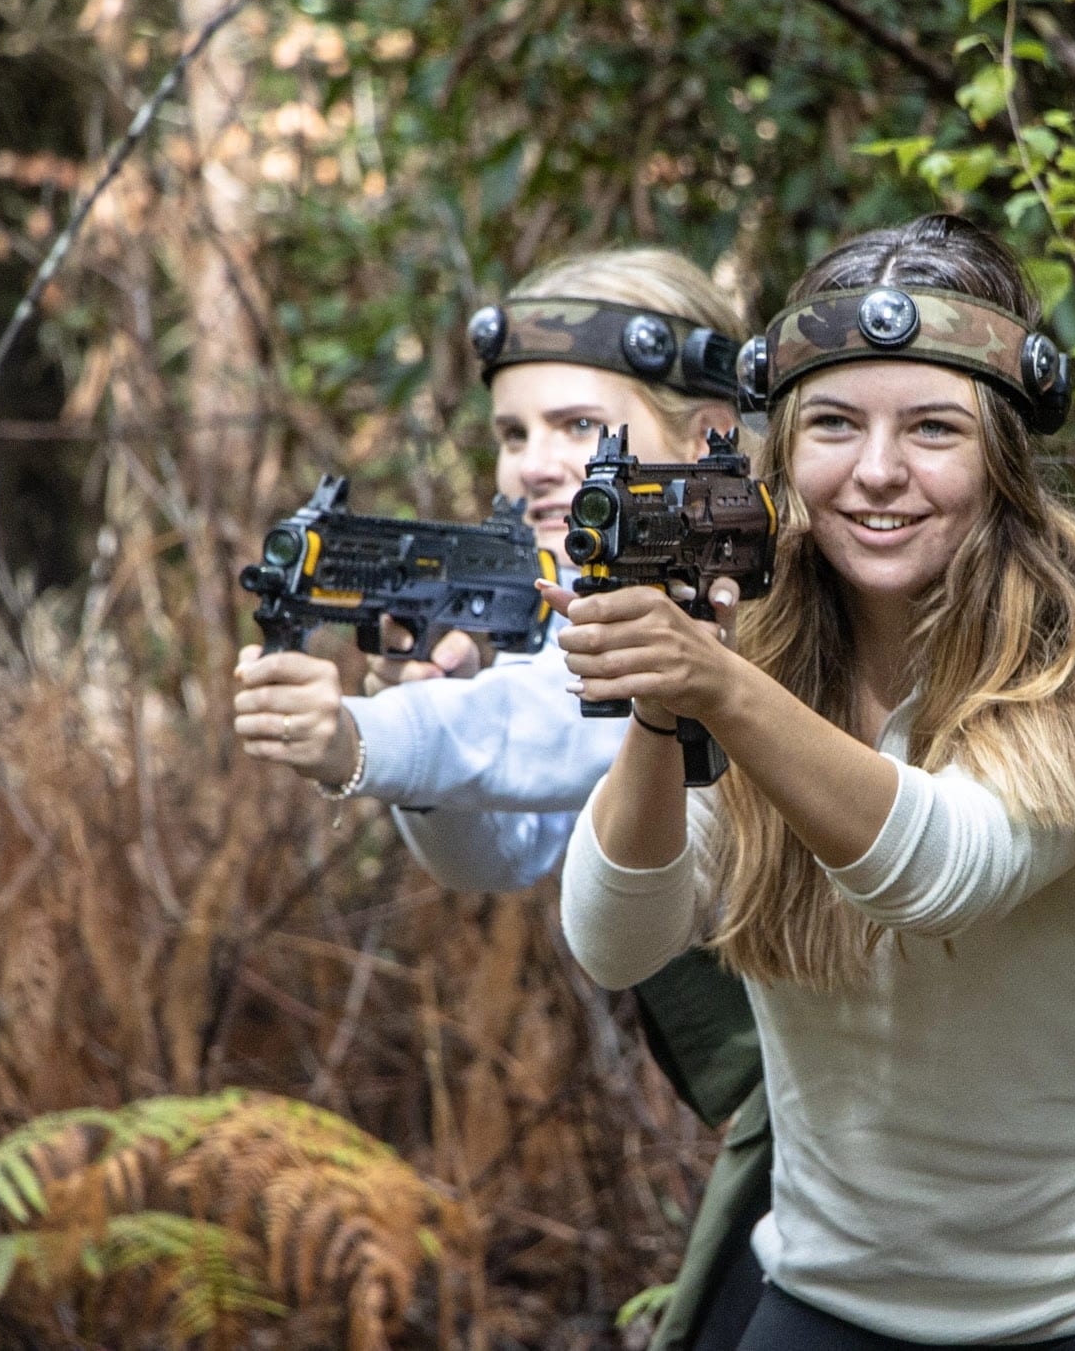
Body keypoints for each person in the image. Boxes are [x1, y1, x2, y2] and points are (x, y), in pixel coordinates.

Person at [553, 214, 1075, 1349]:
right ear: (785, 453)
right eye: (835, 426)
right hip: (842, 1287)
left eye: (931, 429)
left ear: (999, 457)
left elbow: (939, 871)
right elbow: (616, 940)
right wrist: (661, 710)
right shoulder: (751, 639)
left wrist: (717, 688)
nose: (877, 471)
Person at [227, 247, 772, 1345]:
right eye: (512, 433)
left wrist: (358, 735)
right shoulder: (584, 606)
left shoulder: (754, 600)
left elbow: (539, 728)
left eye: (577, 428)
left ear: (709, 430)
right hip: (805, 1126)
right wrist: (417, 734)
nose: (533, 464)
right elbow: (505, 848)